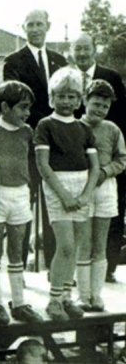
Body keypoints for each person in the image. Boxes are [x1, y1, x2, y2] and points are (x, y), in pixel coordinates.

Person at [3, 9, 68, 270]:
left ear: (48, 26)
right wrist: (41, 125)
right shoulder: (13, 61)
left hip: (56, 144)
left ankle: (55, 264)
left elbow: (65, 99)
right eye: (30, 25)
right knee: (24, 203)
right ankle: (19, 266)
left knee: (54, 203)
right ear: (24, 28)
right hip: (27, 142)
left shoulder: (59, 60)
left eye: (39, 24)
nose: (35, 29)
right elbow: (17, 101)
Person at [34, 67, 99, 321]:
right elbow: (43, 165)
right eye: (61, 95)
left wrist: (85, 195)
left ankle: (67, 297)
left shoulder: (84, 129)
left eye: (72, 96)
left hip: (82, 187)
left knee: (78, 246)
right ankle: (54, 300)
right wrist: (64, 195)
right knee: (66, 246)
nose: (67, 101)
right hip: (57, 187)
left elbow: (94, 167)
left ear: (80, 98)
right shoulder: (45, 125)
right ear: (52, 97)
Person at [0, 81, 43, 325]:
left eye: (29, 108)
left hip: (20, 194)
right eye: (22, 107)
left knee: (17, 249)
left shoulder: (27, 132)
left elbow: (33, 162)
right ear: (4, 107)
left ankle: (18, 302)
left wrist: (29, 187)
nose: (26, 113)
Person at [71, 33, 126, 283]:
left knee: (108, 224)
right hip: (79, 178)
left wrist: (108, 169)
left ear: (94, 50)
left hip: (107, 174)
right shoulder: (68, 78)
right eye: (77, 49)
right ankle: (78, 278)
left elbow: (123, 118)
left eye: (86, 48)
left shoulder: (111, 77)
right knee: (81, 230)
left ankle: (106, 272)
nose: (82, 53)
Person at [77, 80, 126, 311]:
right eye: (95, 104)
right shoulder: (75, 127)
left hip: (106, 189)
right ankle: (82, 296)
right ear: (85, 100)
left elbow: (122, 159)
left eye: (104, 107)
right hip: (81, 188)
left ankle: (96, 296)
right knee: (83, 244)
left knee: (100, 244)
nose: (99, 110)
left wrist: (105, 172)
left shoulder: (113, 129)